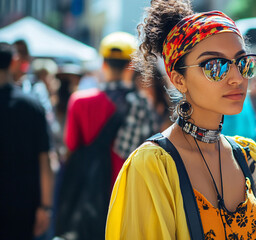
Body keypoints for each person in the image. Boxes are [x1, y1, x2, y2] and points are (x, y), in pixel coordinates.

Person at [105, 0, 256, 239]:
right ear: (178, 79)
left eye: (242, 62)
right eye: (215, 66)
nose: (237, 78)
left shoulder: (248, 156)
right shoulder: (153, 165)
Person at [56, 31, 159, 239]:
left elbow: (71, 145)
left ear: (103, 64)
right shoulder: (141, 104)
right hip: (126, 194)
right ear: (132, 66)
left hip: (87, 194)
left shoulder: (79, 101)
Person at [0, 42, 54, 239]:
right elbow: (45, 159)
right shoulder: (32, 106)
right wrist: (46, 206)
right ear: (13, 62)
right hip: (23, 205)